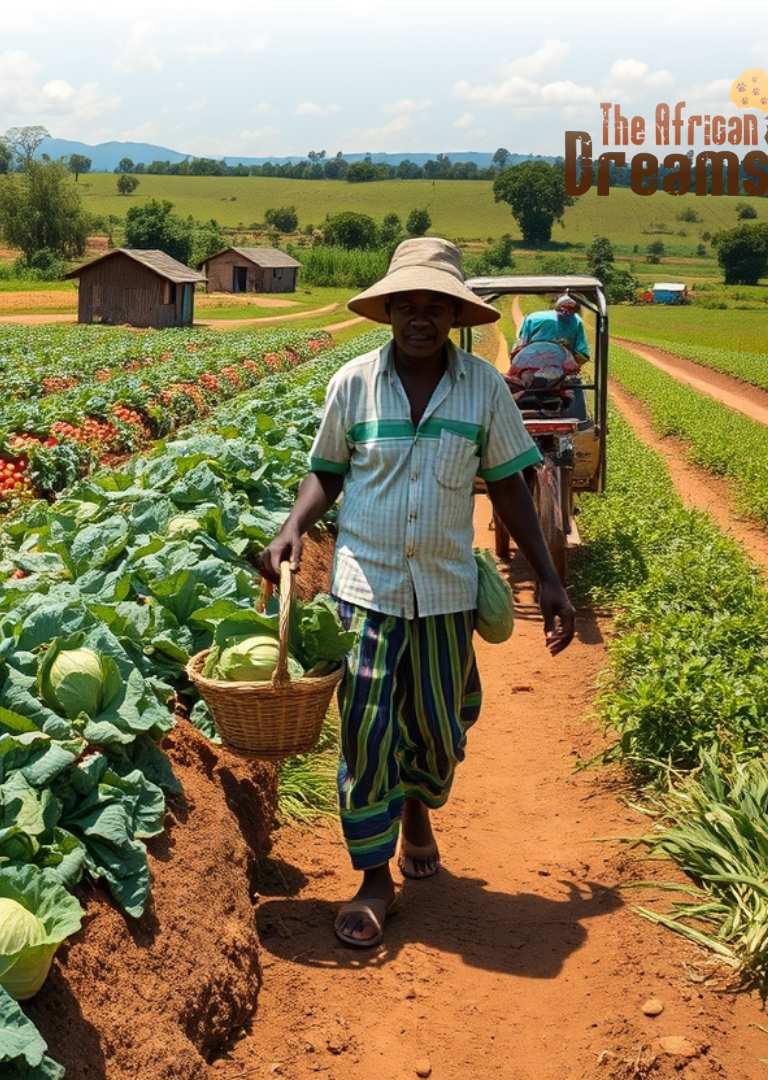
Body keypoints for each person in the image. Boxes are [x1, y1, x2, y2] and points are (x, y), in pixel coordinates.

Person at [258, 237, 574, 949]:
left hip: (442, 587)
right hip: (363, 585)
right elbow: (327, 472)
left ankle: (418, 811)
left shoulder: (484, 389)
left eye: (436, 306)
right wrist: (292, 528)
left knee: (438, 723)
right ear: (390, 311)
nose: (420, 317)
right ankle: (374, 878)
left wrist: (549, 579)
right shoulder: (353, 384)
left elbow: (511, 484)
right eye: (409, 304)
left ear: (456, 317)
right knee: (367, 731)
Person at [511, 294, 589, 367]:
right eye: (564, 309)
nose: (565, 312)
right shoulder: (576, 321)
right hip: (555, 366)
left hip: (537, 365)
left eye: (569, 310)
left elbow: (521, 345)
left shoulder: (533, 318)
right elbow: (582, 354)